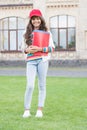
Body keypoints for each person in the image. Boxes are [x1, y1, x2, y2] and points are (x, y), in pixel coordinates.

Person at [22, 9, 55, 118]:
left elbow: (52, 48)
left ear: (40, 19)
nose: (36, 21)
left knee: (42, 85)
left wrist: (39, 48)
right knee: (30, 85)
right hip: (30, 61)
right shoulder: (26, 33)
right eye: (33, 19)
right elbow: (22, 49)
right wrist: (28, 50)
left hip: (42, 60)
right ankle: (27, 110)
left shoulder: (47, 33)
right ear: (31, 20)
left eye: (37, 19)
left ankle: (39, 110)